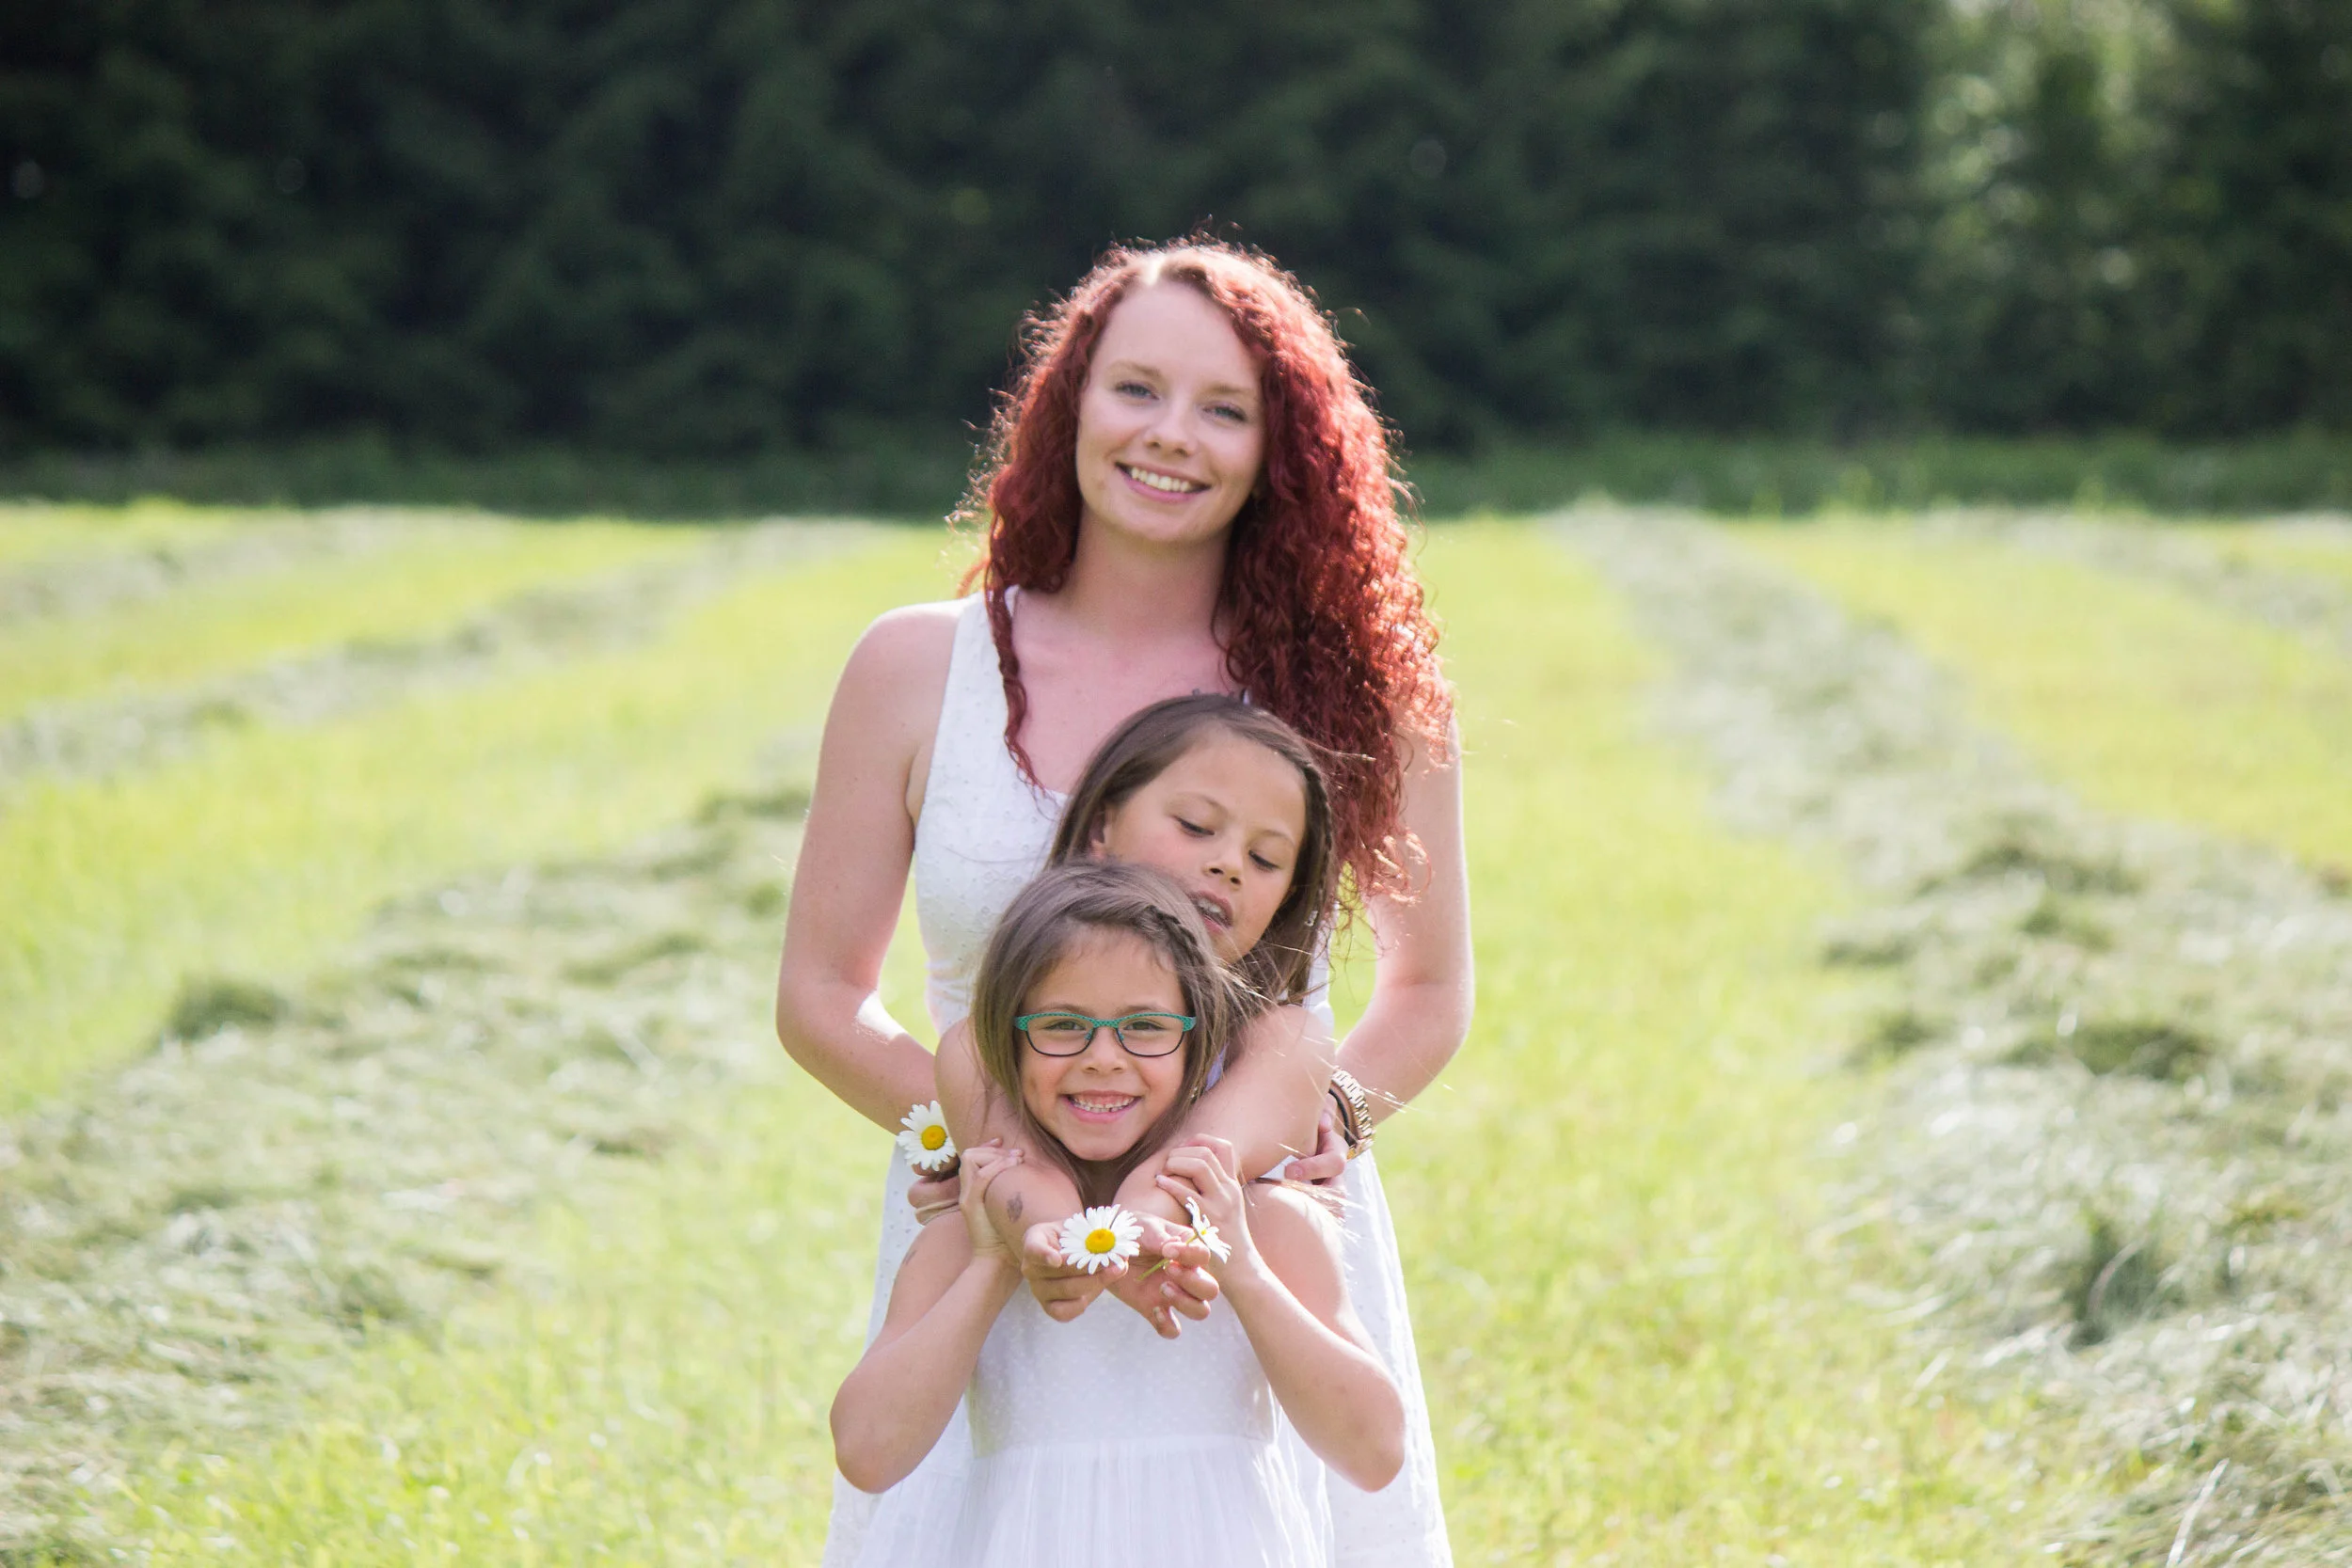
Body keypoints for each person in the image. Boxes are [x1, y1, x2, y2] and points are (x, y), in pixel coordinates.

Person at [777, 238, 1470, 1568]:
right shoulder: (915, 668)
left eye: (1224, 408)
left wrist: (1265, 1148)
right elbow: (818, 997)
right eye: (1136, 388)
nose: (1170, 434)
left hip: (1252, 1245)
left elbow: (1428, 990)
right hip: (986, 1232)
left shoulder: (1357, 688)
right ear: (1069, 405)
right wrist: (1014, 1168)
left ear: (1282, 450)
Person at [831, 863, 1404, 1567]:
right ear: (1008, 1044)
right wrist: (993, 1264)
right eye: (1062, 1025)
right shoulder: (970, 1238)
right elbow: (867, 1452)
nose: (1104, 1058)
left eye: (1146, 1026)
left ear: (1198, 1041)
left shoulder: (1264, 1222)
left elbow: (1376, 1451)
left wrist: (1246, 1272)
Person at [936, 694, 1344, 1328]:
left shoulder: (1286, 1043)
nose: (1229, 864)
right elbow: (1022, 1175)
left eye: (1265, 859)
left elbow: (1199, 1156)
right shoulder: (981, 1046)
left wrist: (1137, 1231)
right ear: (1101, 826)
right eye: (1196, 826)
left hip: (1209, 1319)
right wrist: (1060, 1243)